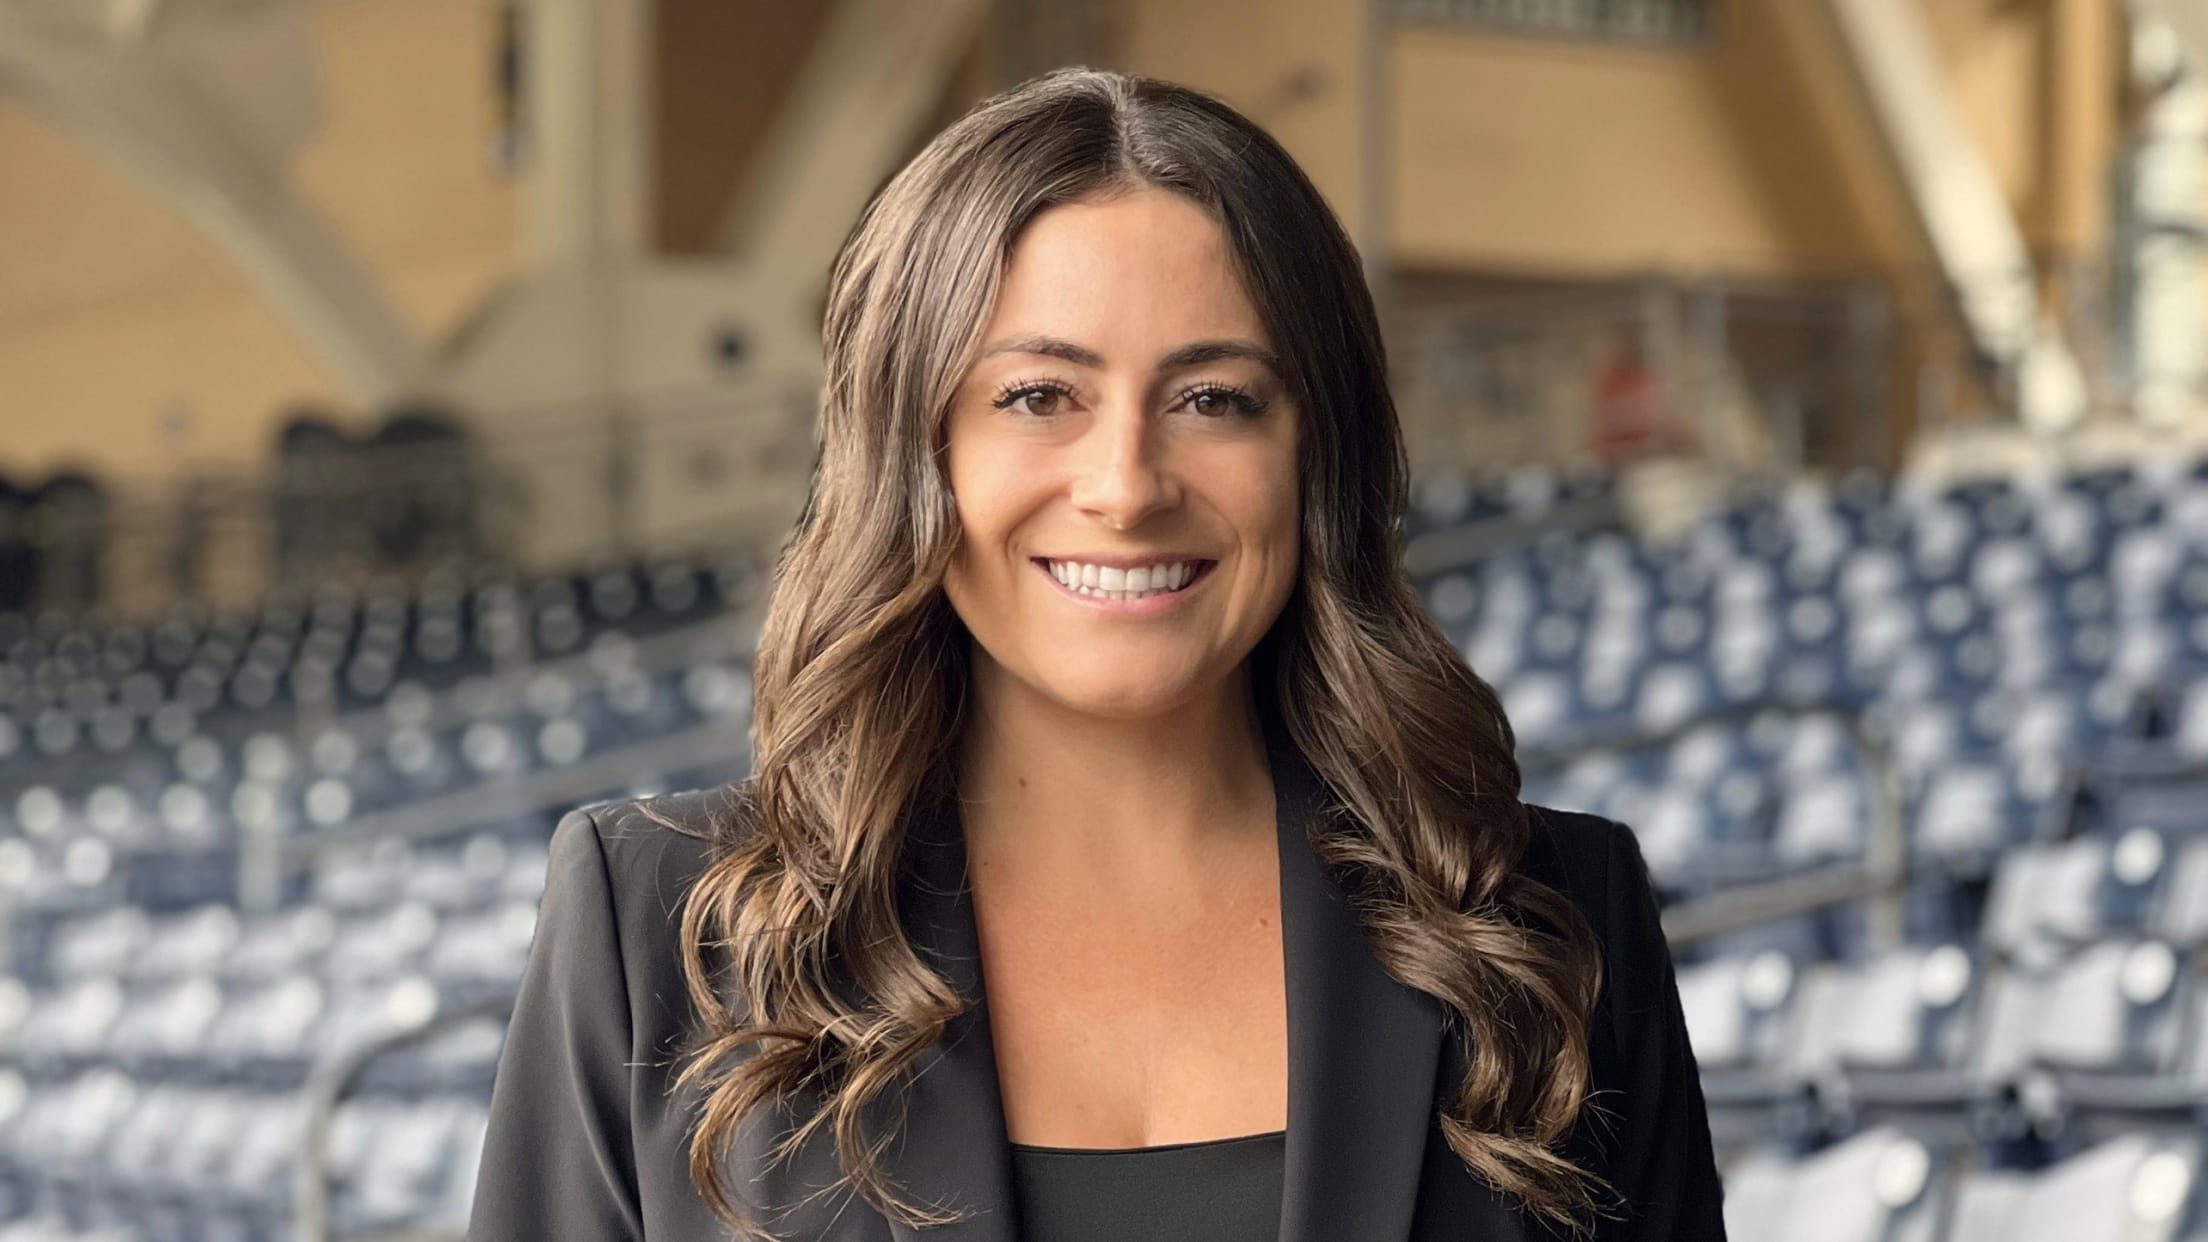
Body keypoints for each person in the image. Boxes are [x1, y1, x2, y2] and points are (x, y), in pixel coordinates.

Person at [467, 66, 1724, 1241]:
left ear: (1317, 458)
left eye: (1214, 399)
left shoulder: (1553, 924)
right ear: (913, 452)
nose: (1125, 486)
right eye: (1037, 396)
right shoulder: (659, 929)